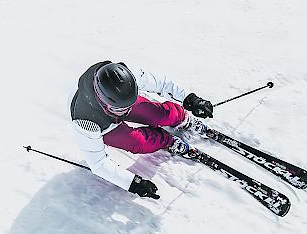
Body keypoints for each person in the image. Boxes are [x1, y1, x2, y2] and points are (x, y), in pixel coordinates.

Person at [70, 60, 214, 200]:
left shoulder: (125, 78)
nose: (127, 111)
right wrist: (132, 183)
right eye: (121, 109)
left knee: (160, 114)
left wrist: (191, 99)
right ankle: (167, 141)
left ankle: (183, 118)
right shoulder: (85, 121)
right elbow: (99, 164)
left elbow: (162, 84)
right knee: (139, 143)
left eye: (129, 105)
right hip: (106, 126)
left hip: (119, 102)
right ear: (104, 103)